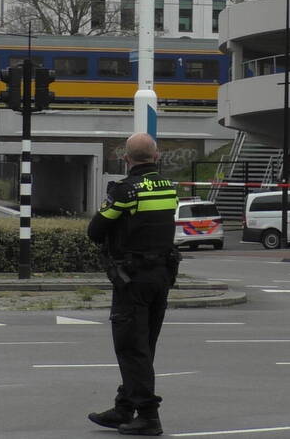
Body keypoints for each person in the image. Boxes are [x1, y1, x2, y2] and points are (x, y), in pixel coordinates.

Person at [87, 133, 180, 436]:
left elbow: (96, 230)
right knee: (145, 345)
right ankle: (124, 407)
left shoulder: (126, 191)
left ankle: (148, 416)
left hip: (133, 279)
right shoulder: (169, 188)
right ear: (156, 156)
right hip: (161, 276)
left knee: (129, 346)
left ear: (126, 159)